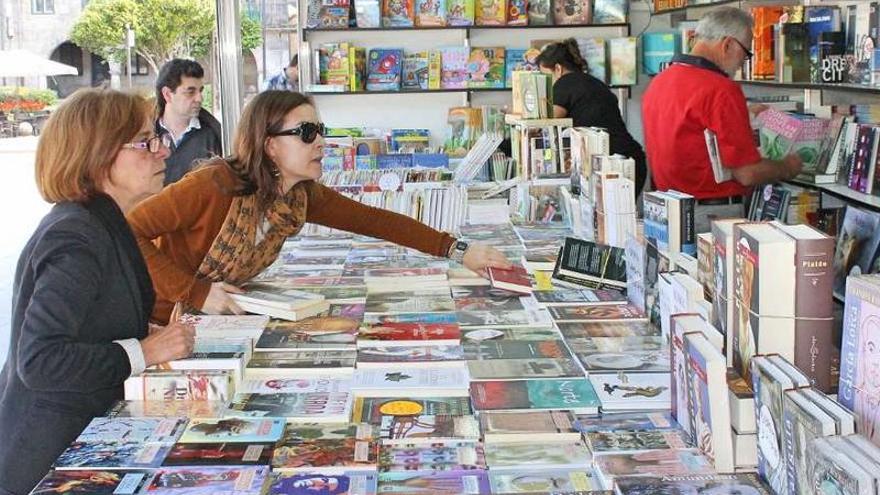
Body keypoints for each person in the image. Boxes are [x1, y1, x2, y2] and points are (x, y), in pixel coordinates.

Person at [128, 90, 510, 325]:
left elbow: (375, 220)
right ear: (269, 144)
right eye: (306, 133)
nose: (321, 143)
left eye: (321, 131)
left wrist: (460, 250)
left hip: (222, 321)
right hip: (162, 321)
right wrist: (195, 293)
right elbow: (129, 231)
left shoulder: (299, 196)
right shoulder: (212, 186)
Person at [0, 89, 195, 495]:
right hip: (50, 455)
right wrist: (146, 351)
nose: (161, 152)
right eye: (145, 142)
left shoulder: (103, 221)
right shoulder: (76, 234)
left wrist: (148, 331)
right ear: (98, 155)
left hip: (85, 439)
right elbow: (39, 360)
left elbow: (95, 318)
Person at [642, 7, 803, 232]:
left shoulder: (660, 81)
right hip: (709, 216)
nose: (743, 63)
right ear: (727, 44)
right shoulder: (721, 90)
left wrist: (743, 114)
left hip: (666, 211)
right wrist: (788, 166)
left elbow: (690, 131)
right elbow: (747, 174)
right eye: (746, 53)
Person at [536, 39, 648, 194]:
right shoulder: (593, 83)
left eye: (546, 77)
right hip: (630, 160)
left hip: (613, 166)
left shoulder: (565, 83)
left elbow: (548, 123)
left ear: (558, 68)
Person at [155, 59, 223, 185]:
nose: (199, 98)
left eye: (200, 91)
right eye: (190, 92)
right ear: (167, 95)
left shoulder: (213, 136)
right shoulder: (147, 138)